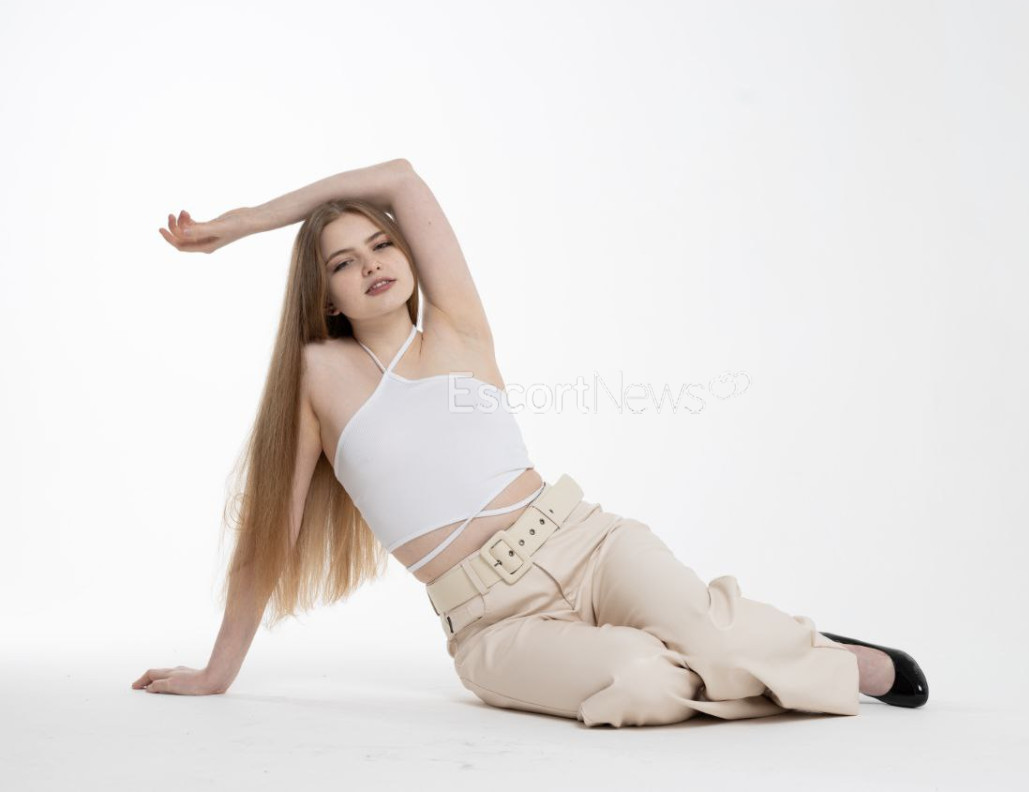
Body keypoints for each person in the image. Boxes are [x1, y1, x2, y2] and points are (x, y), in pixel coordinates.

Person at [131, 158, 928, 726]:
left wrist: (248, 222)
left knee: (698, 639)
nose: (371, 264)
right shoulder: (317, 376)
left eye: (381, 245)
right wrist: (217, 671)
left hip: (587, 544)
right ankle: (764, 649)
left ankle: (815, 655)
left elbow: (400, 178)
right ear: (327, 295)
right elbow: (270, 535)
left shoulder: (455, 324)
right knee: (639, 681)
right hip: (491, 623)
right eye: (343, 262)